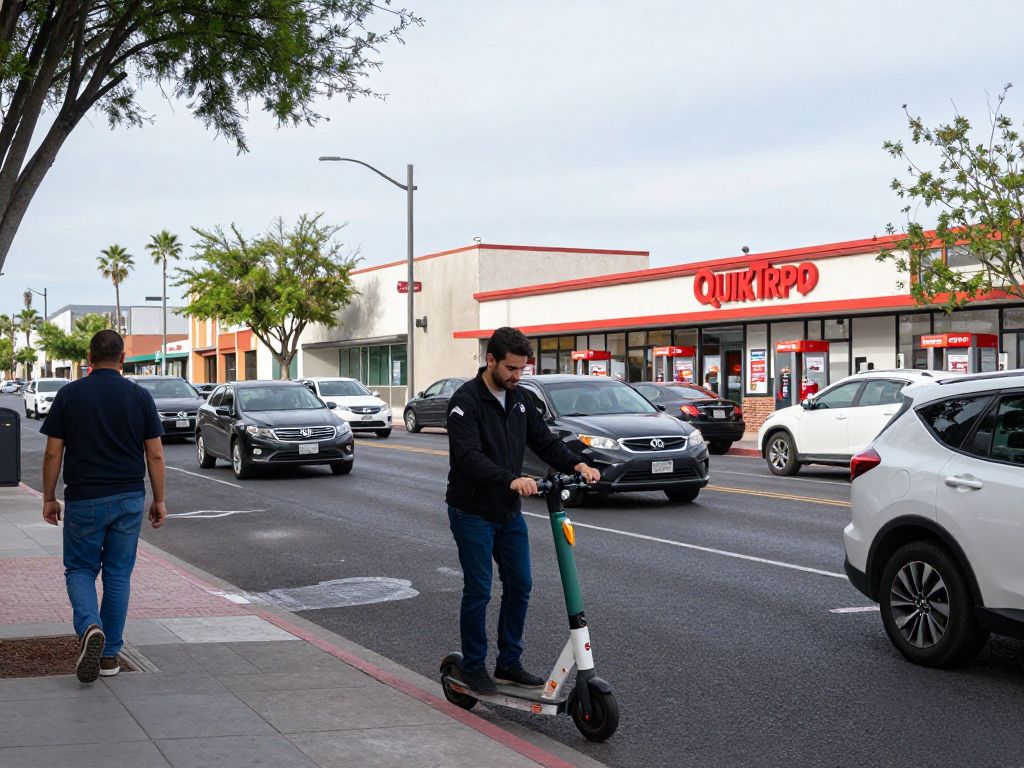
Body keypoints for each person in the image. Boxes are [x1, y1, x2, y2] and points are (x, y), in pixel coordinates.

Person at [446, 327, 600, 694]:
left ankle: (509, 662)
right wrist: (510, 479)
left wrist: (577, 465)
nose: (517, 376)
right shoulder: (465, 402)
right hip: (472, 510)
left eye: (522, 369)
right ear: (491, 361)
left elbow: (544, 440)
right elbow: (468, 458)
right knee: (479, 590)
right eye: (511, 368)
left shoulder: (520, 399)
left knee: (520, 585)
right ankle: (472, 667)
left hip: (507, 511)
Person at [40, 330, 167, 683]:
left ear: (88, 358)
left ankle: (89, 626)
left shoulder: (69, 395)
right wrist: (159, 499)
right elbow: (154, 453)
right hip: (128, 498)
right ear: (123, 359)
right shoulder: (139, 396)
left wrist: (49, 496)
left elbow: (54, 451)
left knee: (80, 569)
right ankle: (109, 656)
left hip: (84, 499)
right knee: (117, 575)